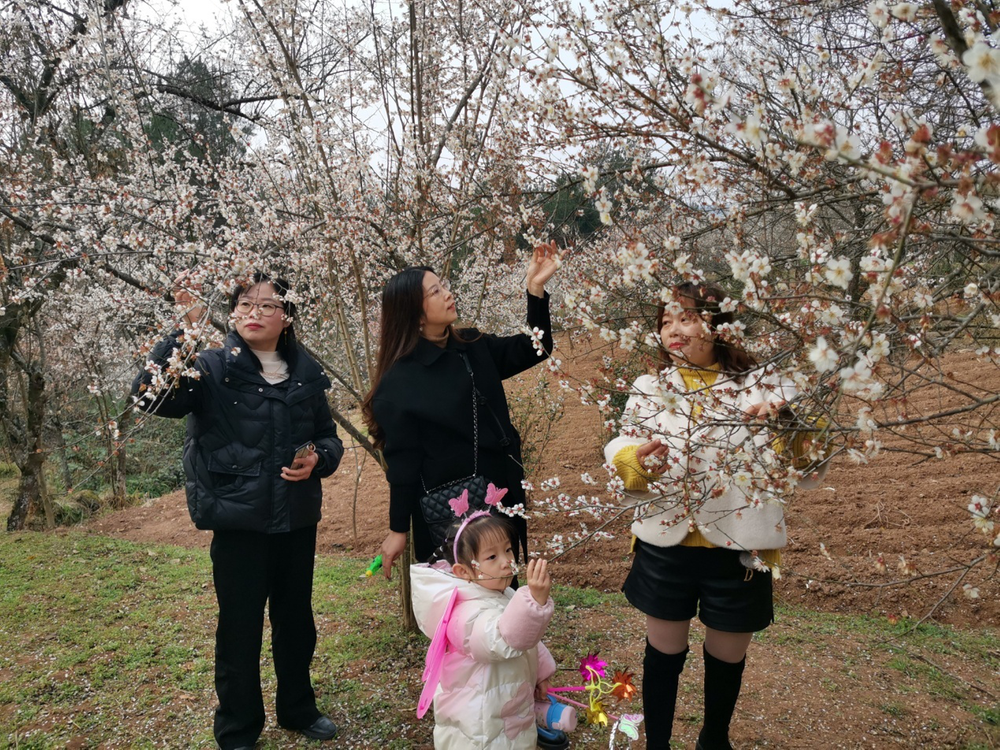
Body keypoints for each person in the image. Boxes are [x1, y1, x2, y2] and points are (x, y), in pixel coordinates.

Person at [604, 281, 829, 750]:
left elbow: (810, 463)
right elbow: (625, 443)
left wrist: (787, 425)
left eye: (686, 318)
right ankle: (658, 744)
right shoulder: (651, 387)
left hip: (740, 545)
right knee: (663, 653)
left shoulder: (766, 383)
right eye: (665, 321)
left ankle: (714, 739)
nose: (673, 329)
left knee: (727, 658)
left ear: (719, 326)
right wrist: (633, 460)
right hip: (666, 539)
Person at [132, 272, 344, 750]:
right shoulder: (211, 367)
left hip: (296, 518)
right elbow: (149, 394)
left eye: (267, 305)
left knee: (296, 622)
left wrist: (318, 457)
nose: (254, 313)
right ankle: (237, 728)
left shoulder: (305, 372)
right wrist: (185, 329)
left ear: (287, 317)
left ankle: (298, 708)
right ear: (231, 313)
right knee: (239, 628)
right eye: (245, 304)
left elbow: (327, 437)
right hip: (238, 521)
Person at [362, 243, 560, 574]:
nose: (447, 294)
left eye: (443, 286)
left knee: (502, 587)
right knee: (460, 598)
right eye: (435, 292)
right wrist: (398, 529)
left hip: (498, 500)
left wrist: (535, 290)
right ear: (414, 312)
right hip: (450, 518)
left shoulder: (472, 346)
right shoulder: (398, 385)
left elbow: (536, 348)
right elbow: (403, 465)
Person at [410, 511, 560, 749]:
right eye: (492, 556)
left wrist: (541, 673)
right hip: (479, 724)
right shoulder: (463, 612)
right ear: (463, 572)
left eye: (508, 550)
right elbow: (501, 639)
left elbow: (530, 640)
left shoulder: (503, 593)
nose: (506, 561)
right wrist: (534, 602)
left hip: (508, 706)